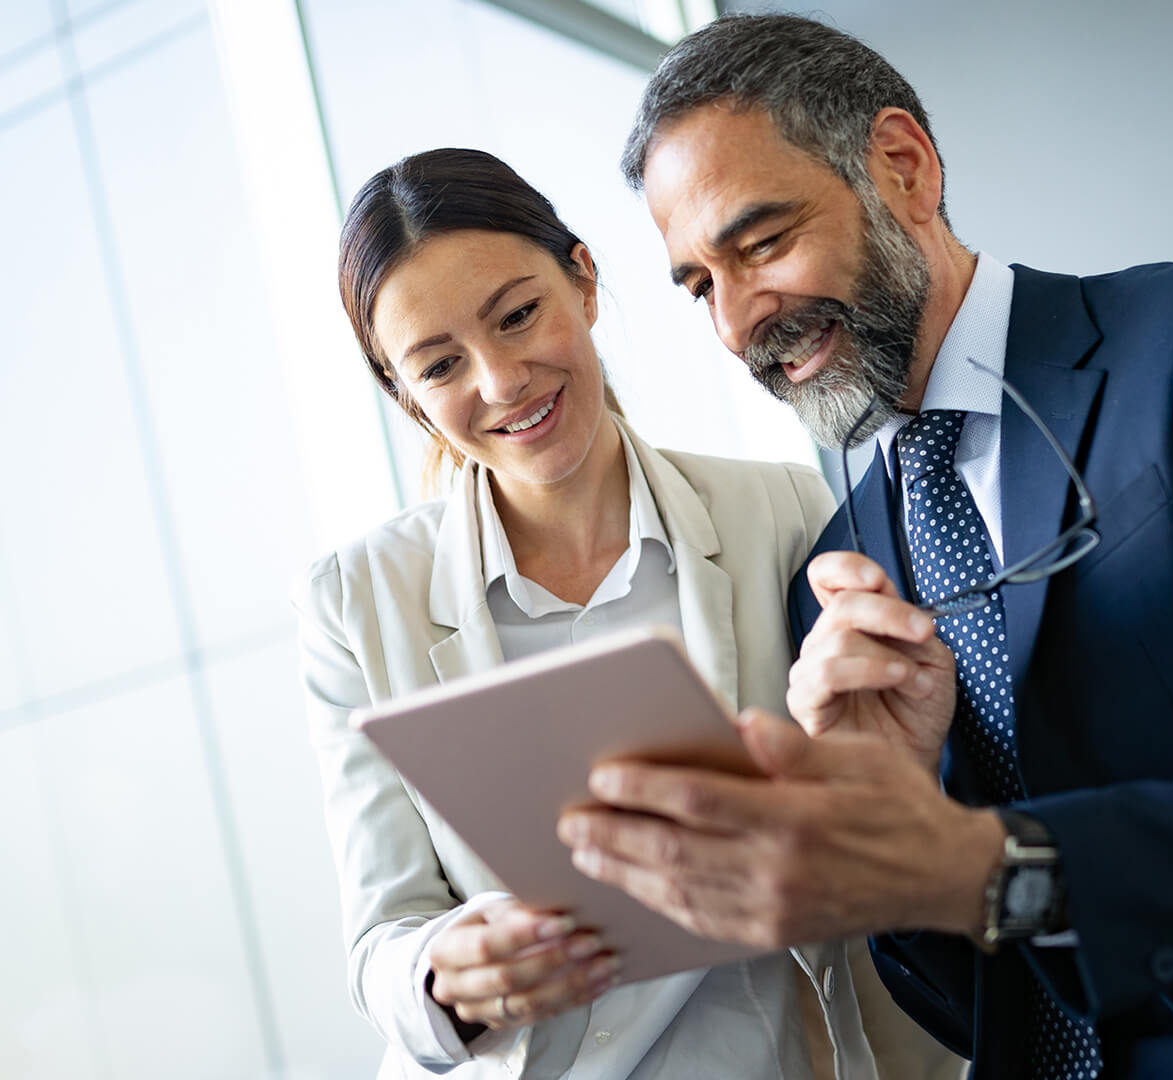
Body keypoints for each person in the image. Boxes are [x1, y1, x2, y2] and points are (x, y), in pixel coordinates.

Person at [554, 13, 1173, 1080]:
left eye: (764, 244)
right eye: (701, 285)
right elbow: (965, 997)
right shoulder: (838, 575)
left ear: (904, 167)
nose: (739, 323)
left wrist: (984, 865)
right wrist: (891, 815)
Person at [293, 147, 964, 1079]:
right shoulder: (357, 604)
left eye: (519, 315)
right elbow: (383, 940)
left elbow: (901, 808)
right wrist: (446, 975)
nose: (501, 382)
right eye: (442, 365)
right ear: (404, 395)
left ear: (584, 280)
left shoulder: (784, 516)